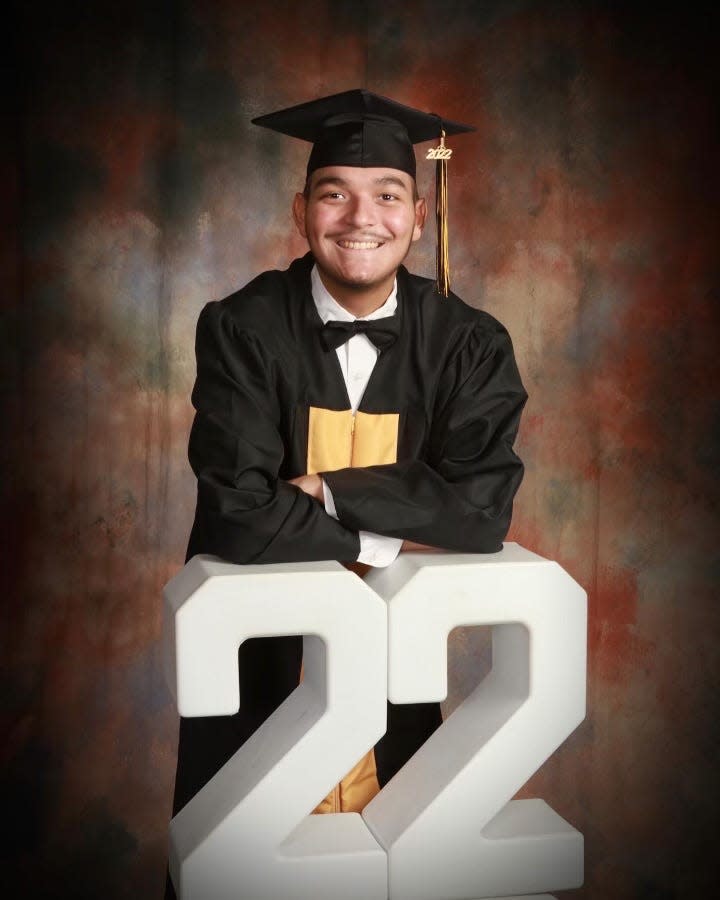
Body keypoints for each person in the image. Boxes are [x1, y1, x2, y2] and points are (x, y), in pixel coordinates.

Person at [166, 89, 527, 896]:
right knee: (240, 867)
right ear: (301, 211)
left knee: (401, 858)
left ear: (420, 216)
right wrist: (380, 536)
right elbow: (237, 510)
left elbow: (482, 509)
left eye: (387, 195)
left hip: (391, 658)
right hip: (256, 659)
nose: (361, 217)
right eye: (334, 193)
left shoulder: (469, 342)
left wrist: (324, 487)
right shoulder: (242, 327)